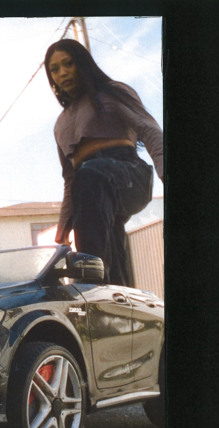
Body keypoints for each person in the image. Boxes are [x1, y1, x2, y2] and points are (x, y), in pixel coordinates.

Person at [44, 39, 163, 286]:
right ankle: (117, 296)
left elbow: (150, 130)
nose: (62, 72)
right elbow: (70, 180)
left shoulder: (112, 92)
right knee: (111, 249)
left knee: (90, 176)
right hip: (91, 189)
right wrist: (63, 230)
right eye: (54, 69)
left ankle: (89, 283)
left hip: (129, 173)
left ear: (83, 64)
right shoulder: (60, 124)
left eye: (68, 63)